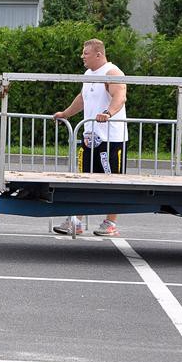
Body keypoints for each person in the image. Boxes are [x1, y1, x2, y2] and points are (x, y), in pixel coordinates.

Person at [51, 38, 127, 237]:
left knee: (112, 183)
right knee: (83, 181)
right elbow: (83, 98)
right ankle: (76, 221)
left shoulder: (112, 72)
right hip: (89, 138)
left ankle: (110, 223)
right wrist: (65, 114)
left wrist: (108, 113)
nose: (82, 56)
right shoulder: (88, 74)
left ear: (98, 54)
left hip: (111, 139)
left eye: (85, 53)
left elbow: (120, 96)